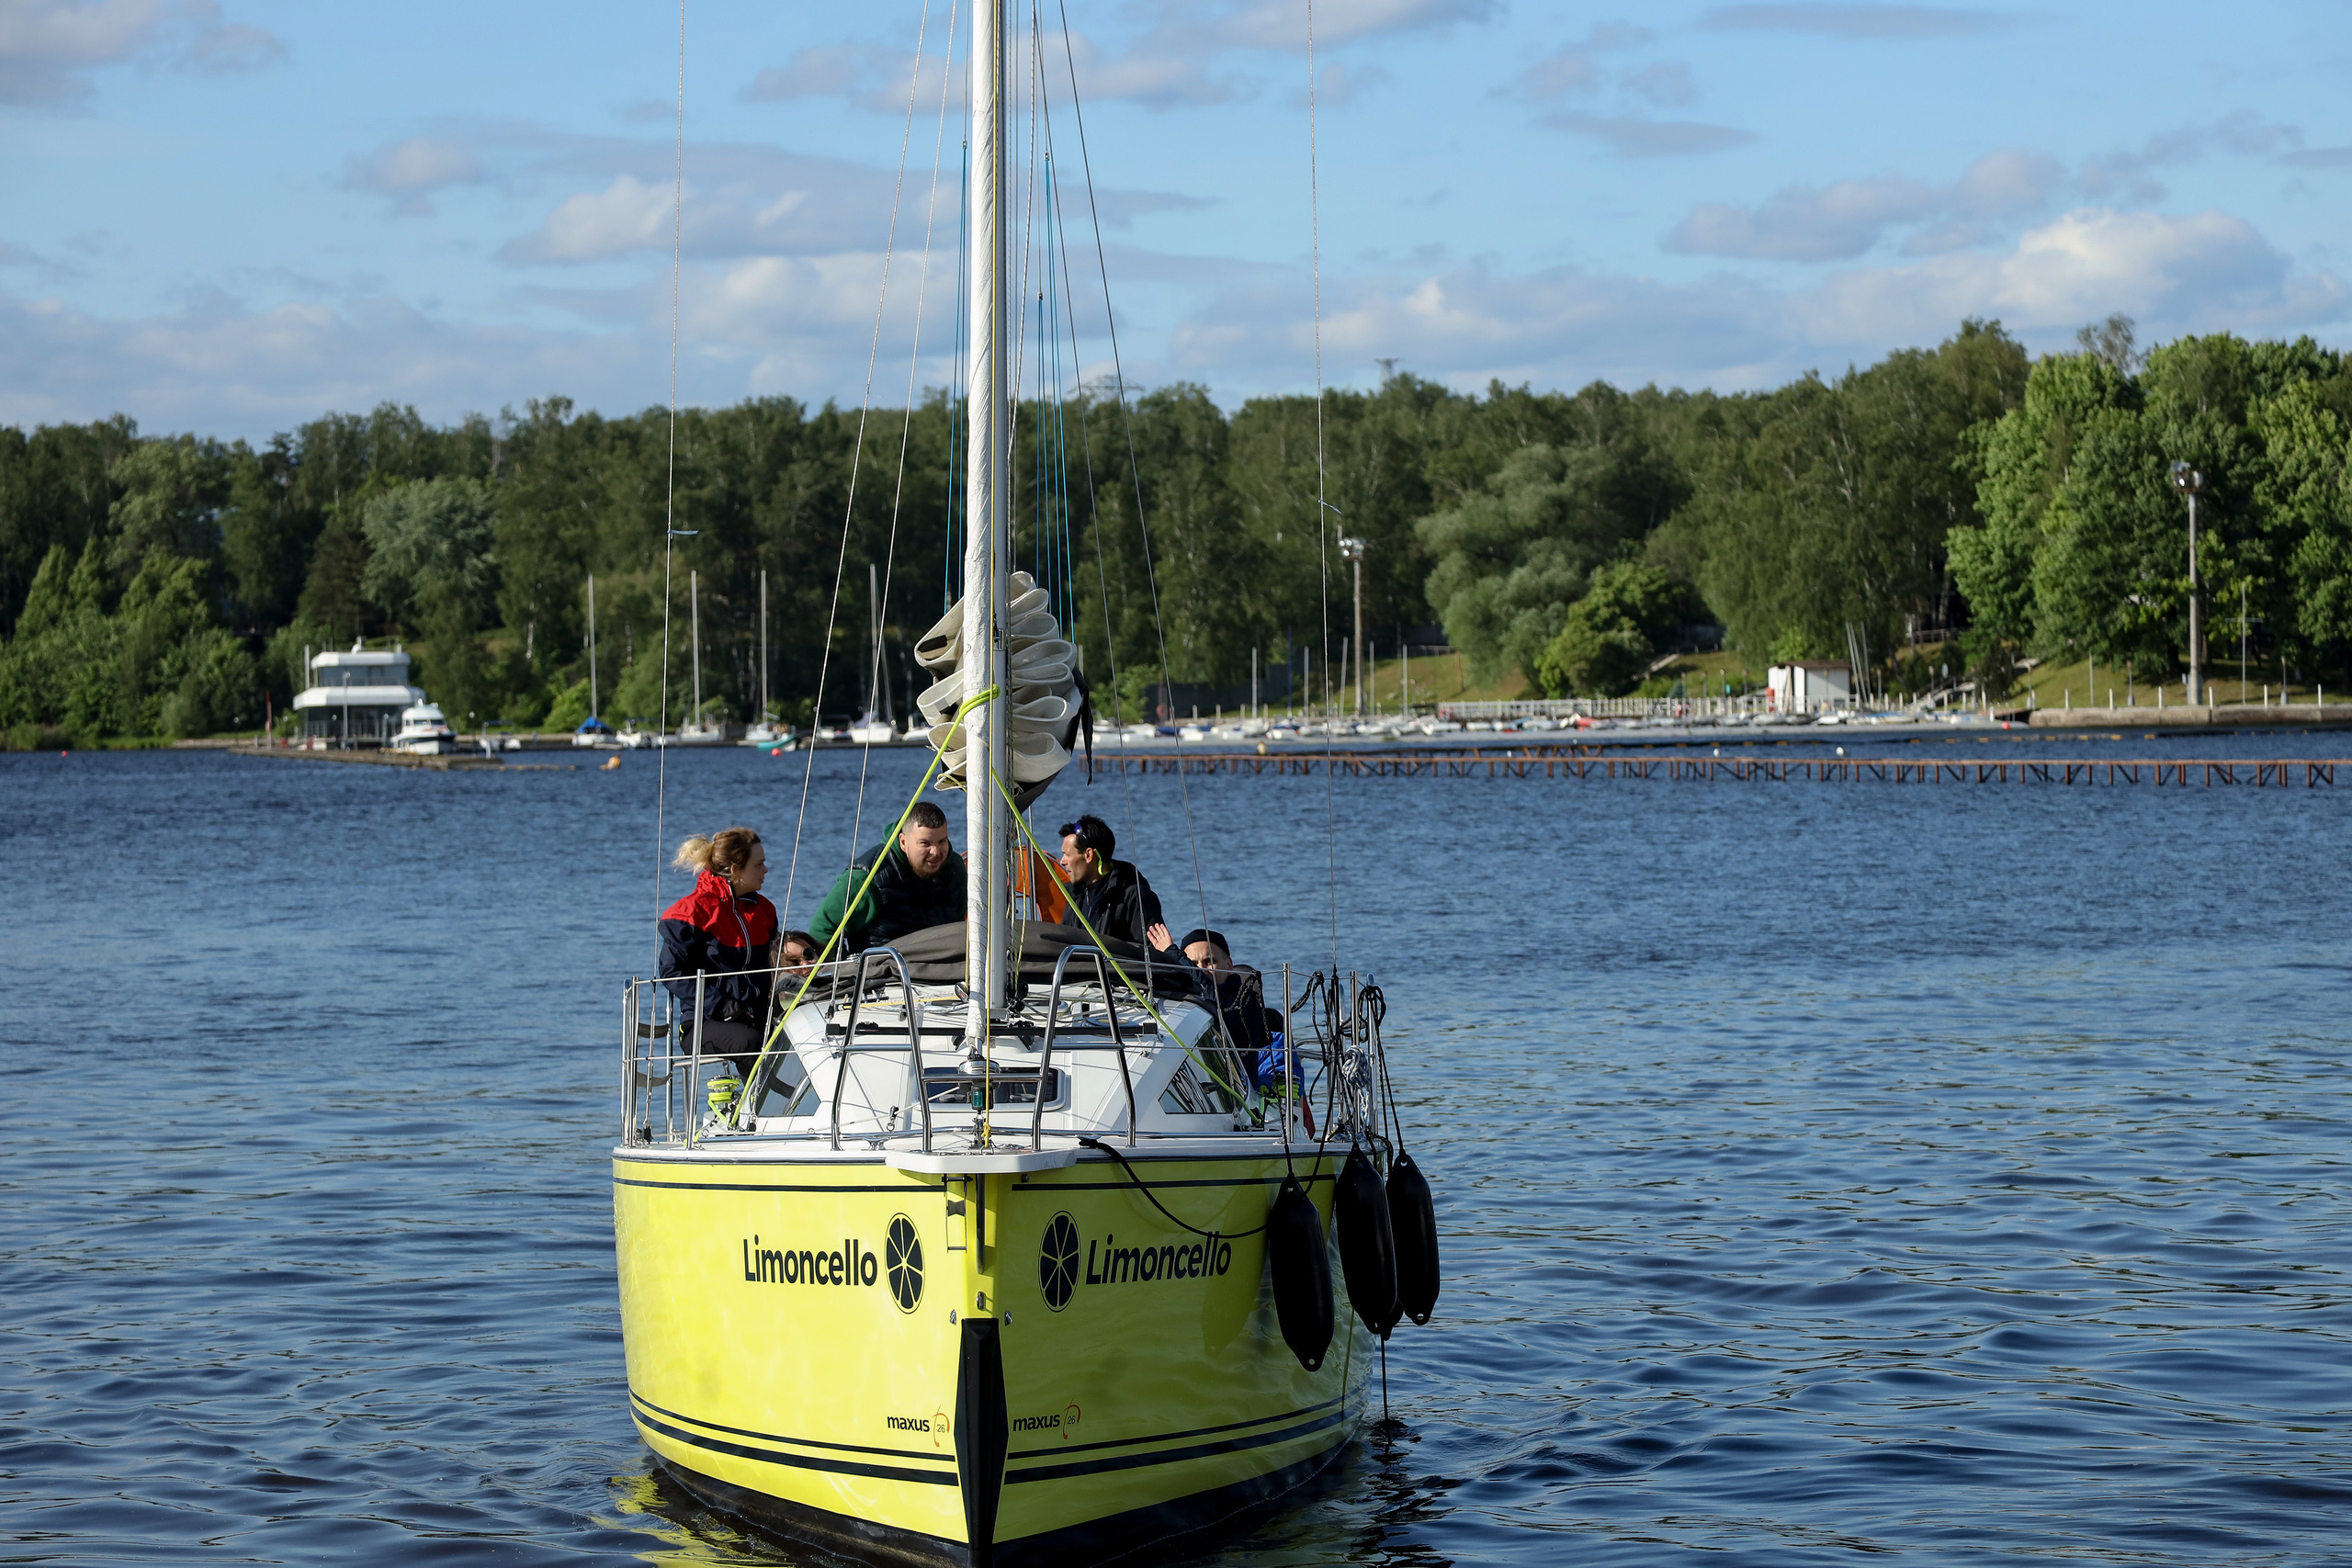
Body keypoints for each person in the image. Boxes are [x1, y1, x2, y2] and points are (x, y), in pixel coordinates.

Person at [658, 827, 777, 1080]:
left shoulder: (764, 910)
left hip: (757, 1012)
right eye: (759, 864)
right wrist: (722, 1005)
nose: (765, 870)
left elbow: (774, 961)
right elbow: (671, 972)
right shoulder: (690, 912)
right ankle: (755, 1111)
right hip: (703, 1022)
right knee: (752, 1042)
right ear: (736, 870)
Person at [809, 801, 966, 953]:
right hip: (884, 975)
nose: (936, 852)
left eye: (942, 842)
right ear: (903, 842)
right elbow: (823, 929)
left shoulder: (954, 868)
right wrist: (848, 971)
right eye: (925, 844)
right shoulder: (868, 879)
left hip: (944, 972)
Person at [1057, 814, 1174, 952]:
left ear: (1089, 855)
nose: (1062, 861)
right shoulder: (1073, 896)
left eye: (1068, 855)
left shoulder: (1134, 896)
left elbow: (1155, 954)